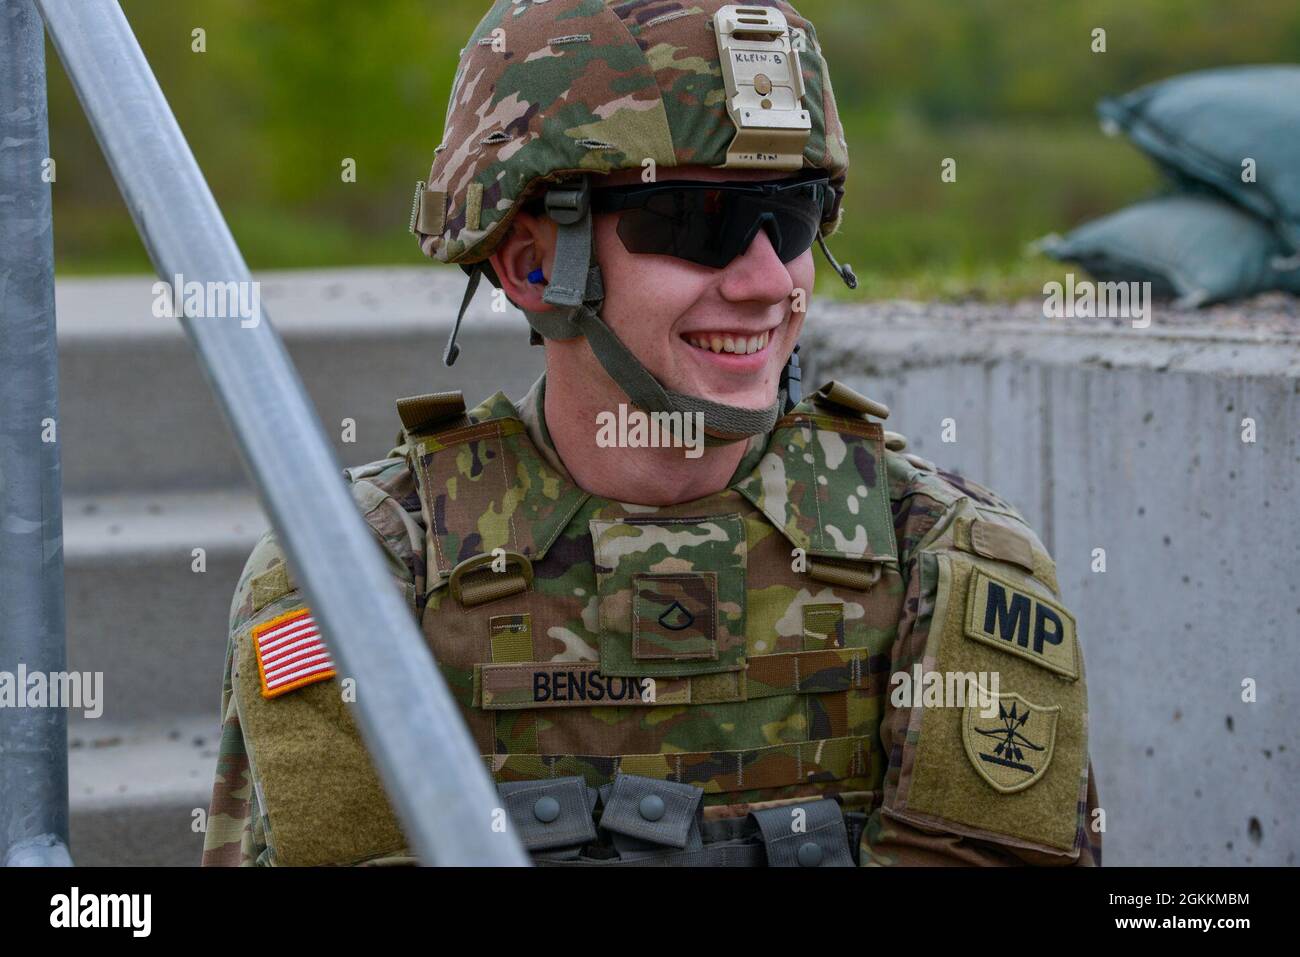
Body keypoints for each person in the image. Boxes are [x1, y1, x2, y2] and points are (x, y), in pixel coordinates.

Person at [202, 0, 1101, 867]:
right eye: (697, 222)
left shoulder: (945, 560)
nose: (763, 281)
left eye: (787, 218)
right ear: (531, 265)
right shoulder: (357, 575)